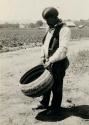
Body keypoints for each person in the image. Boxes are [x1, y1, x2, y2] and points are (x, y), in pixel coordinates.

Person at [36, 7, 71, 114]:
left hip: (58, 63)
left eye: (48, 19)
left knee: (56, 86)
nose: (46, 22)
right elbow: (44, 45)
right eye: (45, 20)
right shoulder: (49, 29)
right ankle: (44, 103)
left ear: (54, 17)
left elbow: (62, 49)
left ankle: (55, 108)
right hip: (47, 61)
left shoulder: (65, 29)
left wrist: (51, 60)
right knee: (45, 83)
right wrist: (42, 57)